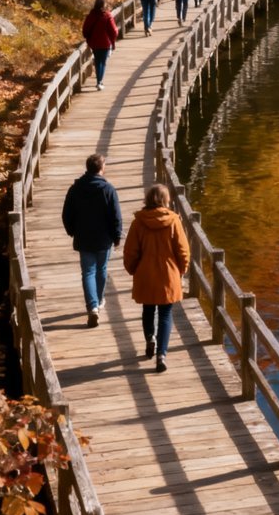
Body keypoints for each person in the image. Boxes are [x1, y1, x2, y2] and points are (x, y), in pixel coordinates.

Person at [123, 183, 190, 373]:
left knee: (148, 309)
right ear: (165, 200)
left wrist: (132, 269)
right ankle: (162, 354)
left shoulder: (139, 222)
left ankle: (150, 338)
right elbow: (183, 250)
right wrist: (182, 270)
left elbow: (130, 251)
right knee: (166, 314)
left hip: (146, 273)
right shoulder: (174, 221)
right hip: (168, 274)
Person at [62, 154, 122, 327]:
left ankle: (92, 306)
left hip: (83, 236)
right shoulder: (108, 189)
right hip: (104, 238)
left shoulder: (75, 188)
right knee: (101, 269)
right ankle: (99, 298)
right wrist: (117, 236)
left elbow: (66, 214)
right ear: (101, 168)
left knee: (88, 271)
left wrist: (71, 230)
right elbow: (115, 215)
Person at [82, 0, 118, 90]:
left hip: (94, 43)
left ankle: (99, 81)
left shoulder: (90, 16)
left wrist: (88, 38)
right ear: (104, 5)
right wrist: (113, 41)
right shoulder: (107, 16)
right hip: (105, 43)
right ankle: (99, 82)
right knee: (102, 62)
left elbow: (85, 30)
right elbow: (114, 31)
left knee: (98, 62)